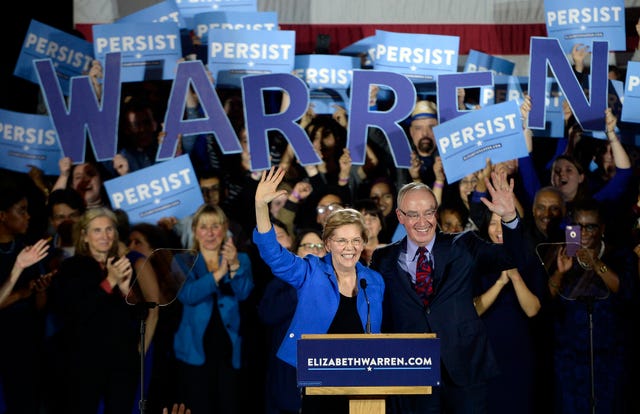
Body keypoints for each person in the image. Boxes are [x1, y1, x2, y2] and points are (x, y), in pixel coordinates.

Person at [369, 171, 523, 414]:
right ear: (400, 216)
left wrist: (510, 218)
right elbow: (372, 309)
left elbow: (512, 257)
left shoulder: (463, 244)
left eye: (429, 212)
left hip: (464, 369)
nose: (423, 221)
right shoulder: (383, 258)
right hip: (412, 372)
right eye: (413, 214)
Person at [253, 166, 384, 414]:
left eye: (356, 240)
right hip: (313, 383)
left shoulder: (374, 281)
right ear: (328, 244)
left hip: (358, 384)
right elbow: (273, 254)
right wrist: (261, 206)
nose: (349, 247)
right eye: (341, 240)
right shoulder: (310, 272)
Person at [545, 198, 638, 414]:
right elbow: (544, 301)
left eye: (590, 226)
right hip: (568, 356)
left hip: (609, 355)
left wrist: (597, 263)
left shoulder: (621, 256)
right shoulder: (555, 254)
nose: (584, 232)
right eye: (578, 227)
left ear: (602, 229)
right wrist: (560, 272)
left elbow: (626, 293)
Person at [46, 207, 138, 413]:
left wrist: (125, 291)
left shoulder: (120, 264)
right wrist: (109, 282)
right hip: (85, 364)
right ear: (84, 236)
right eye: (97, 231)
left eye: (109, 230)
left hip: (121, 364)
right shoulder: (71, 268)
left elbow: (140, 315)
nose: (105, 236)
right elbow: (74, 312)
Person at [173, 204, 254, 414]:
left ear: (225, 228)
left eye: (215, 226)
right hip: (194, 350)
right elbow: (187, 295)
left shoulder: (241, 259)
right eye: (204, 227)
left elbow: (244, 293)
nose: (210, 233)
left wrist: (234, 265)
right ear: (195, 230)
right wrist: (218, 274)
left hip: (229, 348)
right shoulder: (182, 260)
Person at [472, 211, 542, 414]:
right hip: (487, 351)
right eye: (493, 223)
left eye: (503, 223)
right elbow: (474, 308)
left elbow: (532, 310)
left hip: (519, 351)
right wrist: (500, 283)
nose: (498, 229)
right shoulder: (476, 261)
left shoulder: (528, 259)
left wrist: (514, 275)